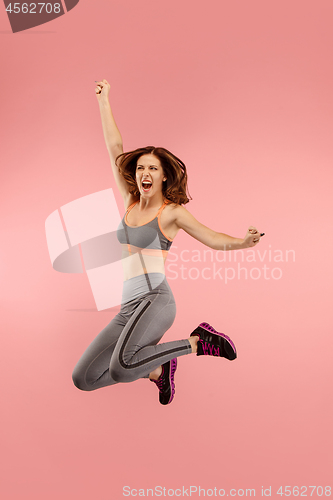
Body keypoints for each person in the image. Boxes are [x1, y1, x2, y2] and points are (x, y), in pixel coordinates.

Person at [72, 79, 264, 405]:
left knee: (120, 368)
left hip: (155, 300)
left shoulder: (171, 213)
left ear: (163, 176)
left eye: (153, 168)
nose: (145, 172)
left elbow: (211, 237)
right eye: (141, 168)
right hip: (128, 308)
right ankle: (159, 371)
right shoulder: (131, 201)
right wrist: (104, 102)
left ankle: (197, 343)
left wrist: (243, 243)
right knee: (84, 378)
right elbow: (115, 149)